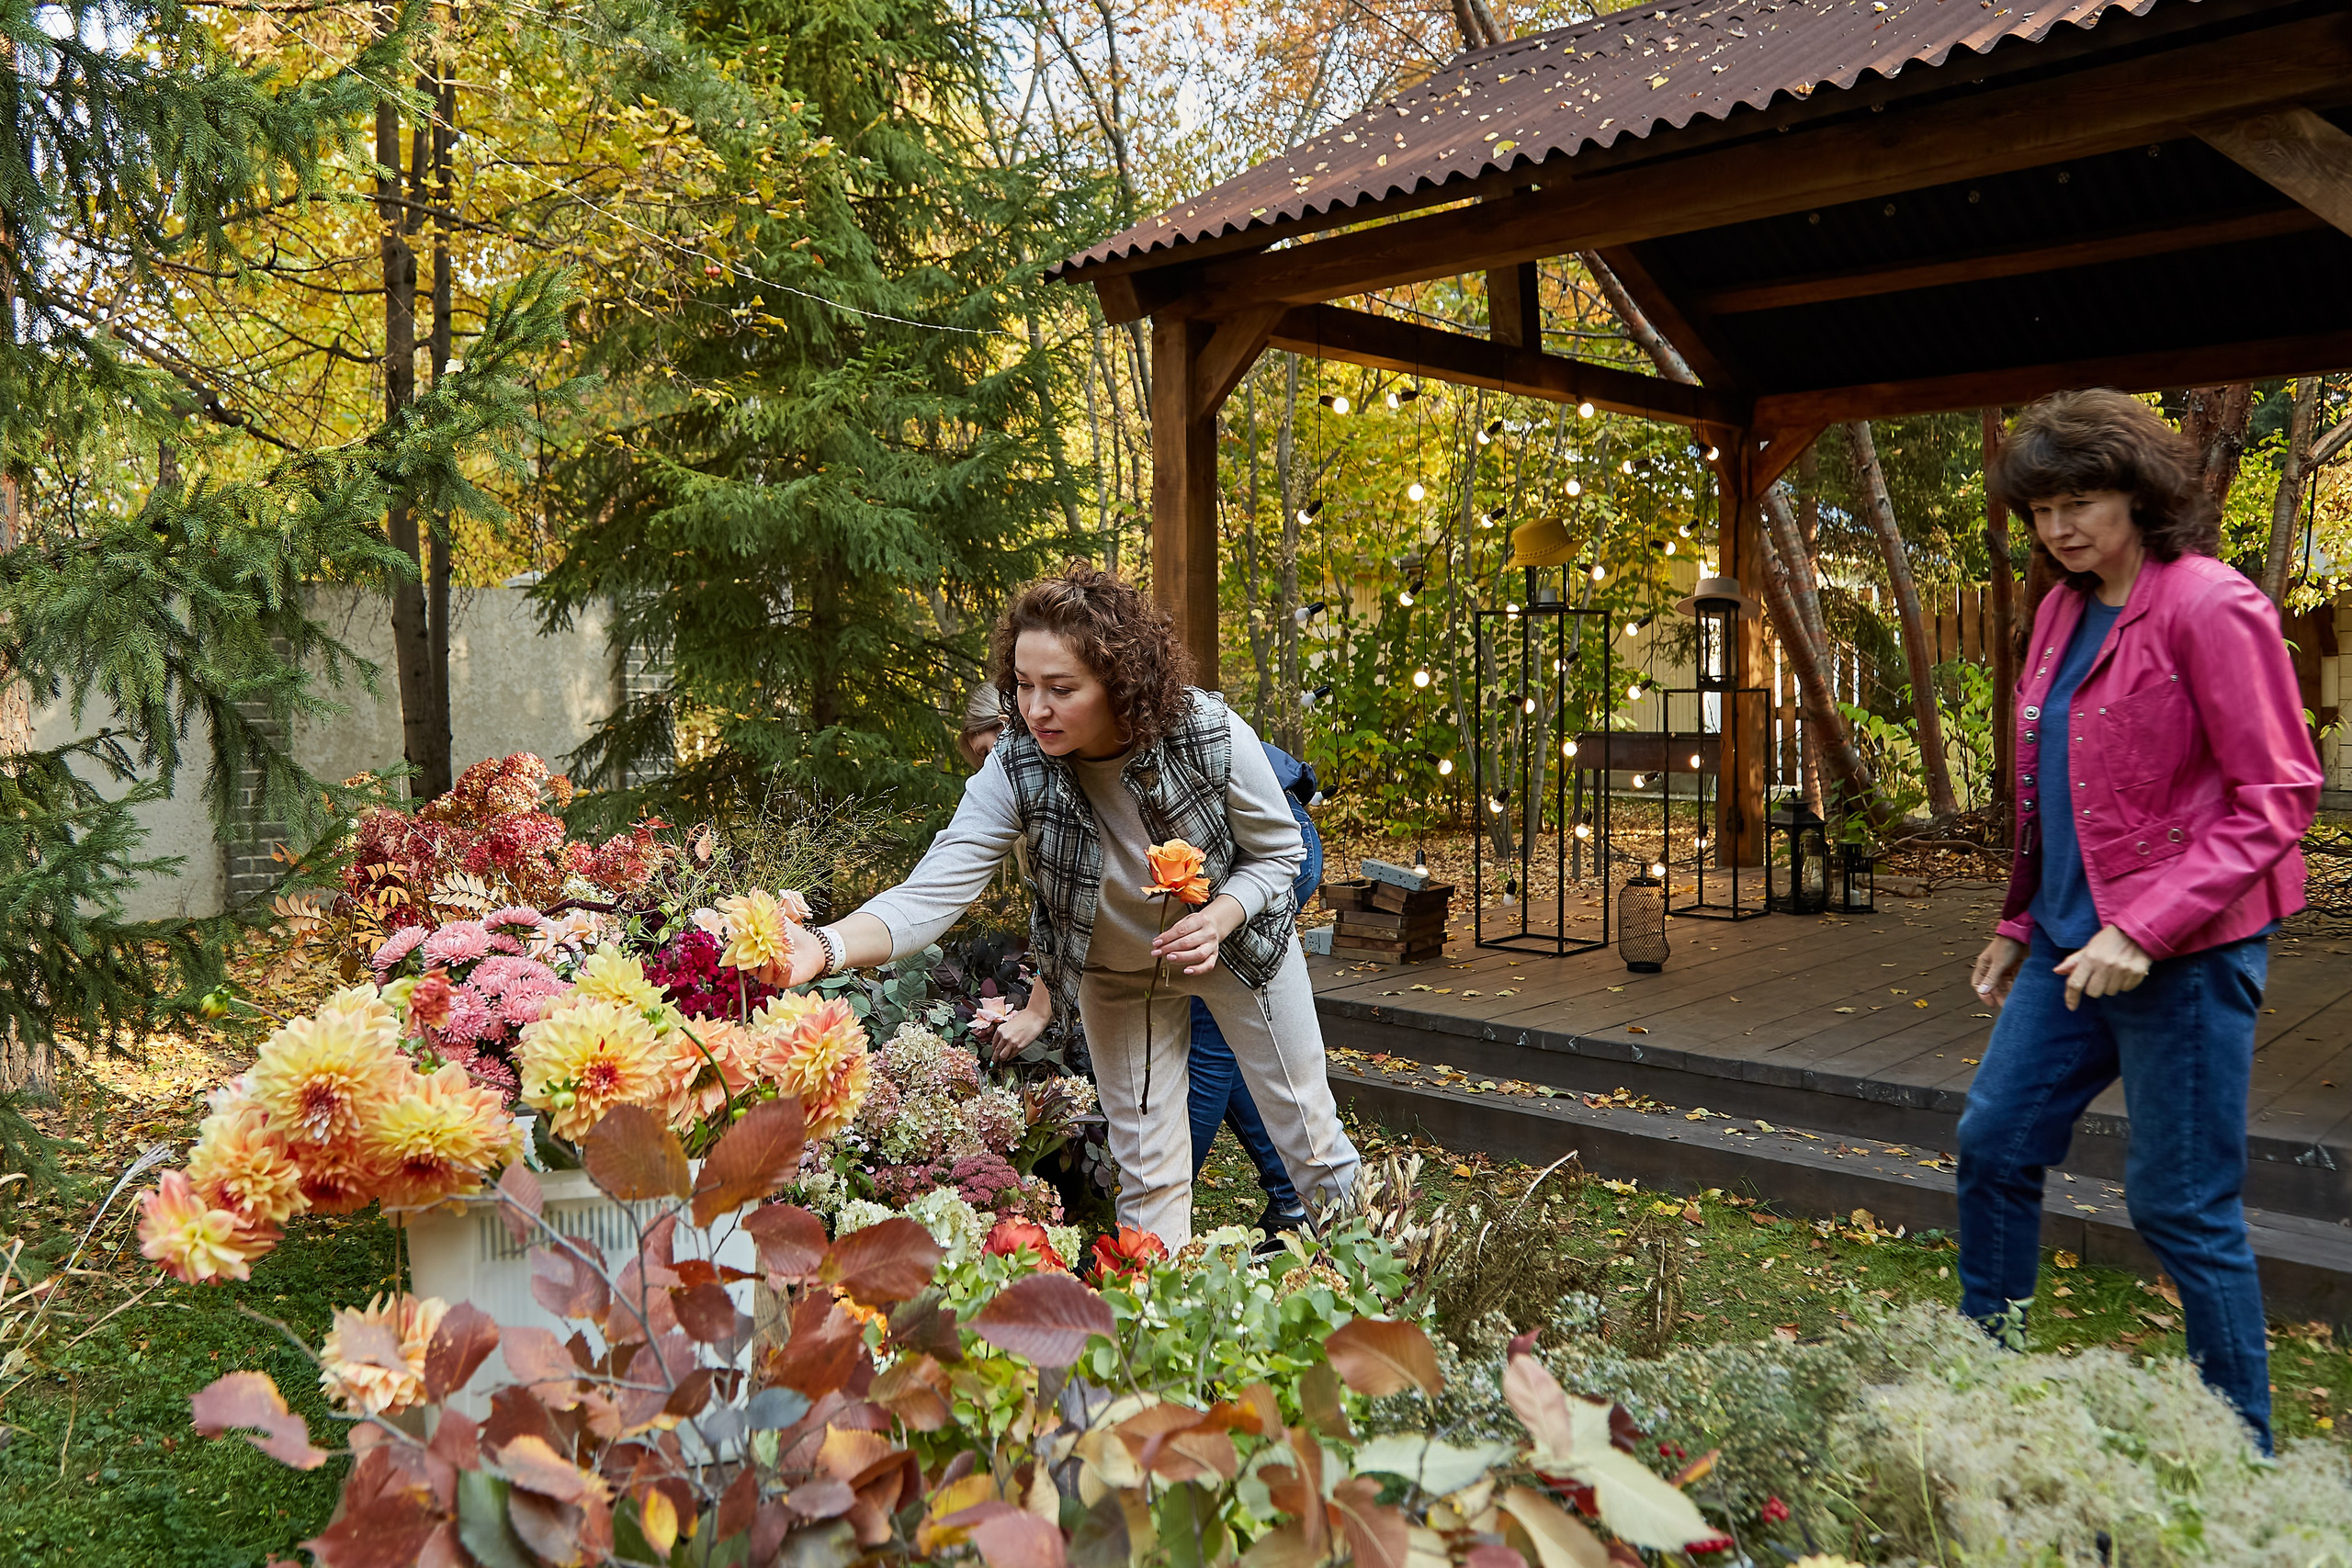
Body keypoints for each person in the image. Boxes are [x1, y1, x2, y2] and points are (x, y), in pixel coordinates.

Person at [785, 561, 1361, 1247]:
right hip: (1117, 976)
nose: (1034, 709)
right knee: (1148, 1172)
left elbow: (1279, 853)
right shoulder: (1018, 761)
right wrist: (824, 946)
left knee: (1312, 1143)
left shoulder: (1206, 729)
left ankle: (1386, 1309)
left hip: (1239, 950)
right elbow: (935, 888)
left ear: (1119, 683)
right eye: (1023, 686)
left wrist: (1222, 914)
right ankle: (1156, 1334)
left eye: (1061, 688)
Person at [1963, 389, 2321, 1453]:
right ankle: (1982, 1382)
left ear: (2138, 493)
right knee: (1993, 1144)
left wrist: (2145, 928)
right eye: (2041, 511)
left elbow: (2278, 794)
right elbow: (2053, 786)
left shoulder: (2211, 606)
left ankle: (2238, 1451)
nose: (2060, 528)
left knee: (2178, 1208)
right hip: (2071, 948)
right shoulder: (2063, 611)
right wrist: (2021, 920)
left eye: (2082, 501)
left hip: (2189, 957)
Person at [1188, 744, 1323, 1244]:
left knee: (1208, 1035)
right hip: (1237, 860)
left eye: (990, 750)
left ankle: (1159, 1215)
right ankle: (1291, 1195)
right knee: (1223, 1037)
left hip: (1276, 850)